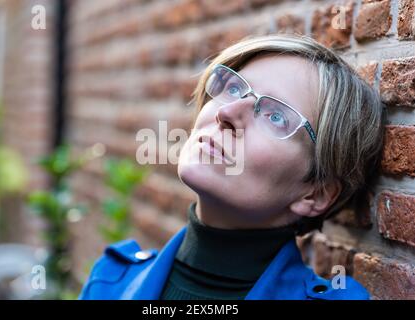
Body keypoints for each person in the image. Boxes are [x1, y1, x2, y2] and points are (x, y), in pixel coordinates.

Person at [79, 34, 385, 300]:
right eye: (234, 89)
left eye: (275, 116)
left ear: (314, 195)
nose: (227, 112)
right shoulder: (109, 282)